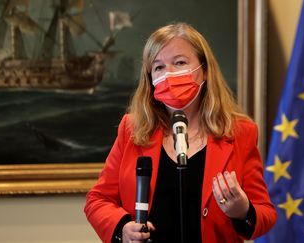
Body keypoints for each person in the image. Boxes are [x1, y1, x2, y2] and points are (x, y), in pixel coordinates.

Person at [84, 22, 277, 243]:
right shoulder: (132, 129)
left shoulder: (241, 132)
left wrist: (243, 211)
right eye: (158, 67)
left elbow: (266, 214)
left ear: (204, 71)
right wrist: (122, 229)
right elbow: (97, 200)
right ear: (151, 79)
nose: (169, 74)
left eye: (180, 62)